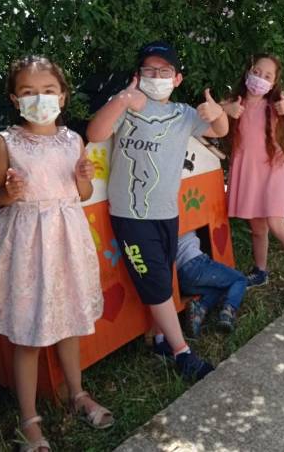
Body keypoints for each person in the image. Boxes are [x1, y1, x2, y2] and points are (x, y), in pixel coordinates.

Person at [0, 56, 112, 452]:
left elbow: (80, 195)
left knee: (68, 322)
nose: (39, 99)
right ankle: (29, 419)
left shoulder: (73, 140)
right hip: (27, 248)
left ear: (62, 97)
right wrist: (8, 194)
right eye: (29, 93)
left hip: (65, 242)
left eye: (47, 91)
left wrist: (83, 181)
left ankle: (77, 393)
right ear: (16, 100)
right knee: (27, 334)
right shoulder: (6, 142)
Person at [86, 41, 228, 381]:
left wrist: (218, 114)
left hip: (167, 212)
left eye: (165, 71)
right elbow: (94, 133)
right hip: (131, 215)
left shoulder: (183, 115)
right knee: (157, 284)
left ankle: (161, 339)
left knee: (163, 275)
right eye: (150, 70)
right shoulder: (126, 107)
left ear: (177, 79)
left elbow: (221, 132)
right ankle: (182, 353)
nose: (157, 76)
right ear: (138, 75)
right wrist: (121, 100)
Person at [220, 54, 284, 298]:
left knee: (276, 223)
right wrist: (226, 109)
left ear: (274, 82)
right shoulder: (235, 103)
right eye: (257, 72)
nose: (260, 79)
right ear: (248, 72)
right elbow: (207, 114)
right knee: (257, 227)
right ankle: (260, 271)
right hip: (247, 172)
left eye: (267, 76)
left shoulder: (275, 106)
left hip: (273, 172)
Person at [176, 231, 249, 337]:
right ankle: (228, 312)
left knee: (222, 287)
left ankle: (199, 311)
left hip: (181, 278)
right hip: (196, 263)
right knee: (240, 279)